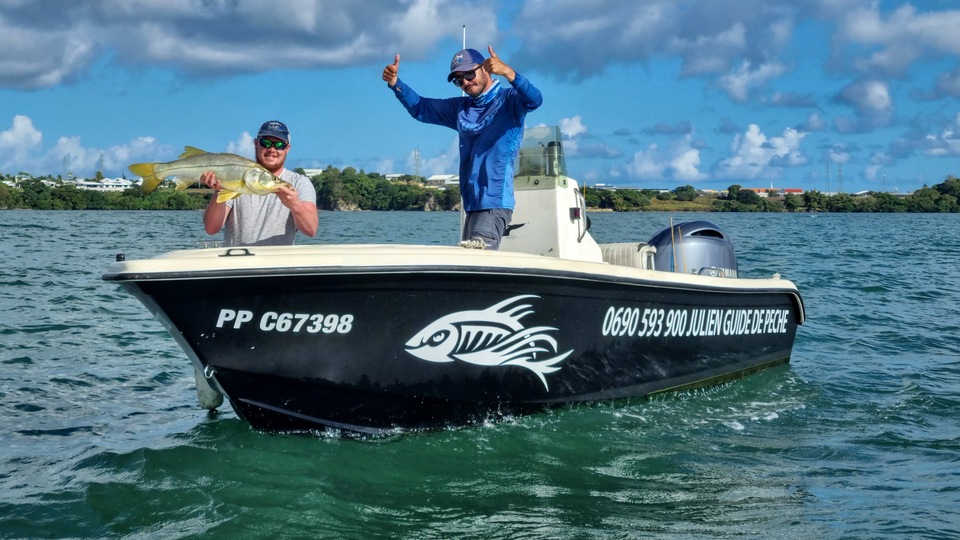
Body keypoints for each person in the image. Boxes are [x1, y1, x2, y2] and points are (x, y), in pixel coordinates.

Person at [382, 46, 542, 250]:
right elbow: (421, 108)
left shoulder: (509, 100)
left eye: (469, 74)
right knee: (469, 260)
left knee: (476, 259)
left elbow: (535, 100)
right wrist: (395, 83)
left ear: (486, 68)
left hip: (494, 203)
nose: (465, 82)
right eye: (459, 80)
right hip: (472, 206)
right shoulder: (460, 108)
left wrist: (509, 73)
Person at [201, 120, 318, 246]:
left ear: (287, 148)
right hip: (237, 262)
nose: (272, 149)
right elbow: (211, 229)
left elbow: (311, 230)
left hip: (278, 264)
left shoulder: (299, 182)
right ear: (256, 144)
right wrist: (219, 190)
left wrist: (295, 205)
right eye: (265, 143)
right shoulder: (236, 175)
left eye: (279, 145)